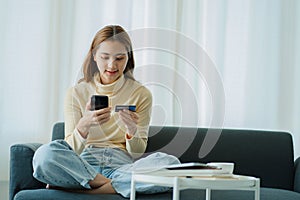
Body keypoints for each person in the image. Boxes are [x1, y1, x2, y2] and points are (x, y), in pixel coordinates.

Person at [32, 25, 180, 198]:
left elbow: (137, 152)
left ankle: (86, 189)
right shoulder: (76, 93)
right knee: (44, 154)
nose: (112, 65)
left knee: (171, 163)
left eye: (119, 58)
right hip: (83, 165)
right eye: (105, 57)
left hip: (122, 167)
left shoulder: (141, 94)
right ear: (94, 56)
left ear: (128, 58)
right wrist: (84, 125)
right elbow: (70, 150)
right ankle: (111, 185)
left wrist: (132, 131)